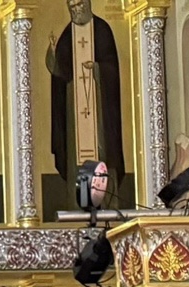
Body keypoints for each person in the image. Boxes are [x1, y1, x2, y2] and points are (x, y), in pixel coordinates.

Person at [49, 0, 124, 205]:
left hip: (100, 107)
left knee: (102, 149)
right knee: (77, 154)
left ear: (88, 3)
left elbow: (112, 67)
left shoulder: (102, 30)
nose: (76, 10)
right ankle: (80, 205)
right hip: (74, 107)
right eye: (72, 7)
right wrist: (53, 56)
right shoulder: (67, 35)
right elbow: (60, 74)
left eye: (79, 4)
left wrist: (98, 68)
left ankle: (106, 203)